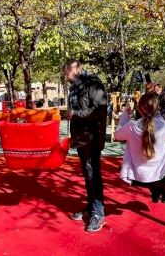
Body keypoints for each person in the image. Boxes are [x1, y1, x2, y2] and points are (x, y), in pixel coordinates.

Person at [114, 92, 165, 203]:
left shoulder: (131, 127)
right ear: (157, 108)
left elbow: (117, 135)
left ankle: (156, 189)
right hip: (162, 171)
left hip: (139, 173)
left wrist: (125, 115)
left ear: (139, 109)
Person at [63, 59, 108, 232]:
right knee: (87, 173)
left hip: (92, 136)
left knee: (93, 173)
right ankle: (91, 206)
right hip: (81, 137)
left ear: (75, 69)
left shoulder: (93, 84)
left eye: (66, 73)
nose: (66, 77)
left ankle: (99, 212)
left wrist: (76, 114)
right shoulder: (75, 86)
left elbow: (99, 111)